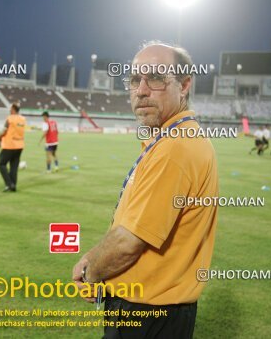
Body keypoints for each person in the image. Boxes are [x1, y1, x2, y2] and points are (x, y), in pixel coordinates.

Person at [72, 41, 218, 339]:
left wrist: (90, 273)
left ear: (185, 84)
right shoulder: (172, 139)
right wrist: (93, 256)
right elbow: (130, 226)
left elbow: (129, 242)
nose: (140, 90)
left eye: (155, 78)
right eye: (135, 79)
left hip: (147, 316)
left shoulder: (176, 147)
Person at [0, 103, 26, 192]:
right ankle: (13, 185)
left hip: (9, 145)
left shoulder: (9, 118)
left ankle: (9, 184)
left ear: (13, 109)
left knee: (1, 164)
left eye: (10, 108)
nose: (9, 110)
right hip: (20, 145)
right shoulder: (23, 119)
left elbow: (4, 130)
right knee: (14, 166)